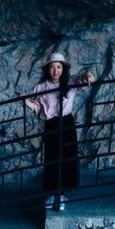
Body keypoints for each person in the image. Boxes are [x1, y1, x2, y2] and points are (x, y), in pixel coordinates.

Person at [26, 52, 95, 212]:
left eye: (59, 67)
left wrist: (88, 75)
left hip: (67, 123)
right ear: (47, 70)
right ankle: (51, 193)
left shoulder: (70, 82)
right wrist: (26, 102)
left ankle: (61, 194)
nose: (56, 70)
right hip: (51, 124)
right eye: (52, 67)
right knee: (52, 158)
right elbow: (37, 108)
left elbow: (84, 79)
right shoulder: (40, 87)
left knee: (67, 158)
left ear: (63, 69)